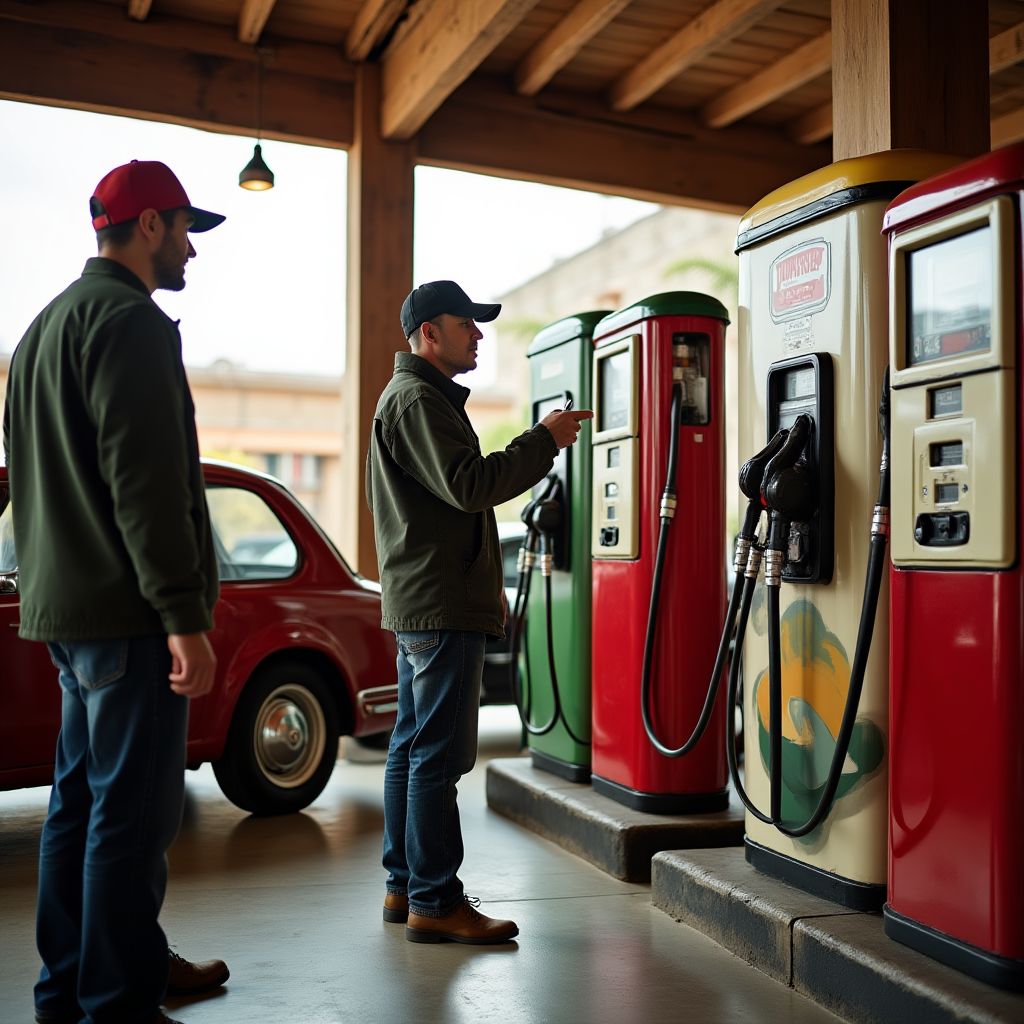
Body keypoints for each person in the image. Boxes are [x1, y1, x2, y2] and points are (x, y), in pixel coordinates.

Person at [2, 160, 230, 1024]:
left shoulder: (41, 331)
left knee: (78, 811)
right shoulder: (131, 324)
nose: (189, 251)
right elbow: (147, 484)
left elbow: (28, 478)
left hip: (67, 613)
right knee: (129, 827)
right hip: (130, 616)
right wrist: (184, 616)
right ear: (144, 226)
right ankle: (118, 1008)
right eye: (182, 230)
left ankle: (65, 995)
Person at [366, 280, 592, 944]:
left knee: (411, 749)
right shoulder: (416, 400)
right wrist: (543, 440)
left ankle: (405, 887)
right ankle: (435, 900)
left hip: (434, 598)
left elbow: (443, 507)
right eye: (466, 324)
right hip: (438, 606)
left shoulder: (419, 398)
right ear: (428, 334)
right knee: (437, 757)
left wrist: (482, 577)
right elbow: (470, 486)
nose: (479, 334)